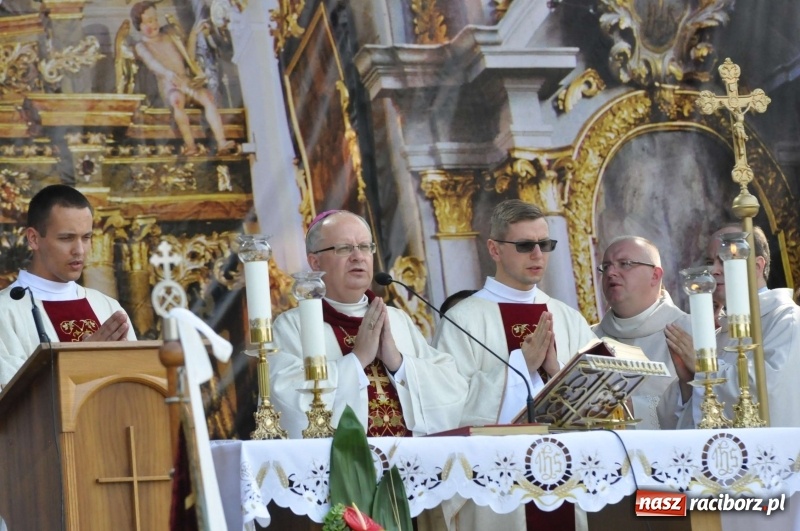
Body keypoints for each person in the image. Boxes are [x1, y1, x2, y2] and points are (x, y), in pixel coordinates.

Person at [432, 199, 596, 530]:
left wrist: (553, 371)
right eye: (525, 245)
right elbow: (446, 407)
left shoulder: (566, 317)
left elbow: (592, 404)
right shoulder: (464, 319)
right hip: (494, 484)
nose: (538, 255)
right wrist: (522, 365)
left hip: (559, 473)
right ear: (494, 249)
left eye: (545, 245)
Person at [270, 210, 467, 439]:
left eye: (365, 247)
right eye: (344, 248)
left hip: (408, 461)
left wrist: (399, 363)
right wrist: (357, 360)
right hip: (341, 467)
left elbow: (452, 389)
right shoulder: (293, 326)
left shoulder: (397, 319)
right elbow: (286, 398)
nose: (358, 256)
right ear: (315, 262)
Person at [658, 224, 800, 429]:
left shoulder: (787, 321)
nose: (713, 271)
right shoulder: (718, 335)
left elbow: (767, 390)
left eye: (725, 260)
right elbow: (671, 419)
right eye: (709, 262)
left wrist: (704, 366)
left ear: (757, 266)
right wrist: (688, 383)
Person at [0, 185, 136, 387]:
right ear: (34, 239)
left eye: (86, 237)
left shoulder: (107, 307)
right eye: (66, 238)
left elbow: (137, 380)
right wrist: (80, 362)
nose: (79, 250)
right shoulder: (6, 311)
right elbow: (12, 399)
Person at [592, 236, 690, 429]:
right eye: (606, 266)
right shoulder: (589, 338)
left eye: (625, 264)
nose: (611, 272)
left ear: (655, 275)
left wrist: (629, 409)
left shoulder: (689, 331)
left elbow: (708, 403)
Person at [130, 1, 235, 156]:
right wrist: (168, 74)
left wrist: (194, 34)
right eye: (148, 21)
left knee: (207, 97)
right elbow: (152, 64)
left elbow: (189, 56)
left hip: (186, 81)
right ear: (139, 25)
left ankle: (221, 142)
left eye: (155, 19)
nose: (154, 24)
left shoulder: (170, 35)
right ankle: (190, 145)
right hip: (170, 85)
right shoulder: (141, 46)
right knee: (177, 101)